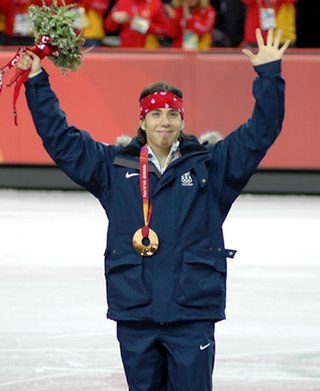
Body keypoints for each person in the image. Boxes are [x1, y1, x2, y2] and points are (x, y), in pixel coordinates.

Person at [17, 27, 290, 391]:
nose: (165, 121)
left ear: (182, 121)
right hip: (137, 311)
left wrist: (269, 75)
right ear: (142, 122)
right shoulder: (113, 167)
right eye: (156, 114)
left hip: (190, 312)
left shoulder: (211, 166)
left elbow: (261, 132)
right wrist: (36, 81)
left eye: (172, 114)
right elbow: (61, 141)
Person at [104, 0, 169, 48]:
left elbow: (165, 29)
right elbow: (109, 28)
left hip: (148, 51)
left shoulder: (155, 3)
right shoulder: (123, 2)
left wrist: (144, 26)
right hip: (126, 50)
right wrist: (113, 19)